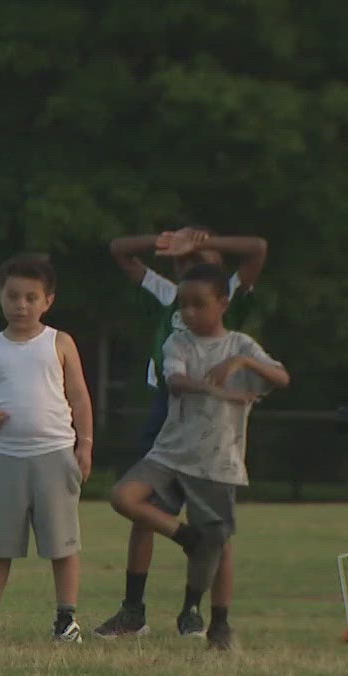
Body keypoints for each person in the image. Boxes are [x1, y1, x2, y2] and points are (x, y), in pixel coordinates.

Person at [95, 225, 268, 639]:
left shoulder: (226, 296)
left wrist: (206, 243)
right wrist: (166, 241)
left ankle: (196, 611)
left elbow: (257, 246)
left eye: (197, 261)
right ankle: (133, 609)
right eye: (182, 262)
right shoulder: (168, 295)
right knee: (145, 509)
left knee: (212, 520)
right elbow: (119, 247)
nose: (188, 264)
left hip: (214, 417)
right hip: (167, 409)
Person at [0, 254, 94, 642]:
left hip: (55, 454)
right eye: (13, 296)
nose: (21, 305)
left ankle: (66, 618)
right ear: (0, 297)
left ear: (47, 301)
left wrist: (85, 445)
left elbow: (80, 398)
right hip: (4, 457)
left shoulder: (61, 342)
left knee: (62, 543)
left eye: (31, 297)